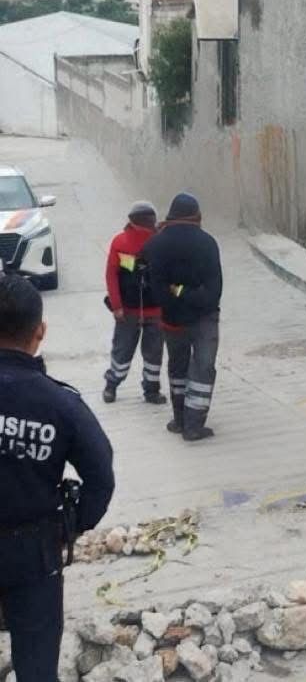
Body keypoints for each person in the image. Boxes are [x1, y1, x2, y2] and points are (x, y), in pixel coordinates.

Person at [0, 275, 115, 681]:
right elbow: (101, 477)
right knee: (36, 668)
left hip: (36, 550)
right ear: (40, 332)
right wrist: (72, 526)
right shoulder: (59, 403)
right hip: (34, 554)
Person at [142, 193, 222, 442]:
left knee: (177, 367)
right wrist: (190, 294)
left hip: (171, 319)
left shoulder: (155, 243)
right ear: (196, 216)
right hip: (203, 318)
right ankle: (194, 425)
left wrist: (174, 292)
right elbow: (214, 292)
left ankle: (179, 419)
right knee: (202, 368)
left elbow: (146, 277)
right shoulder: (208, 243)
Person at [102, 201, 166, 405]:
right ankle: (112, 383)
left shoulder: (159, 240)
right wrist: (117, 305)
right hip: (129, 310)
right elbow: (112, 274)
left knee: (154, 353)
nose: (151, 223)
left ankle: (151, 389)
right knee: (123, 350)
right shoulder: (121, 243)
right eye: (149, 220)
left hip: (154, 309)